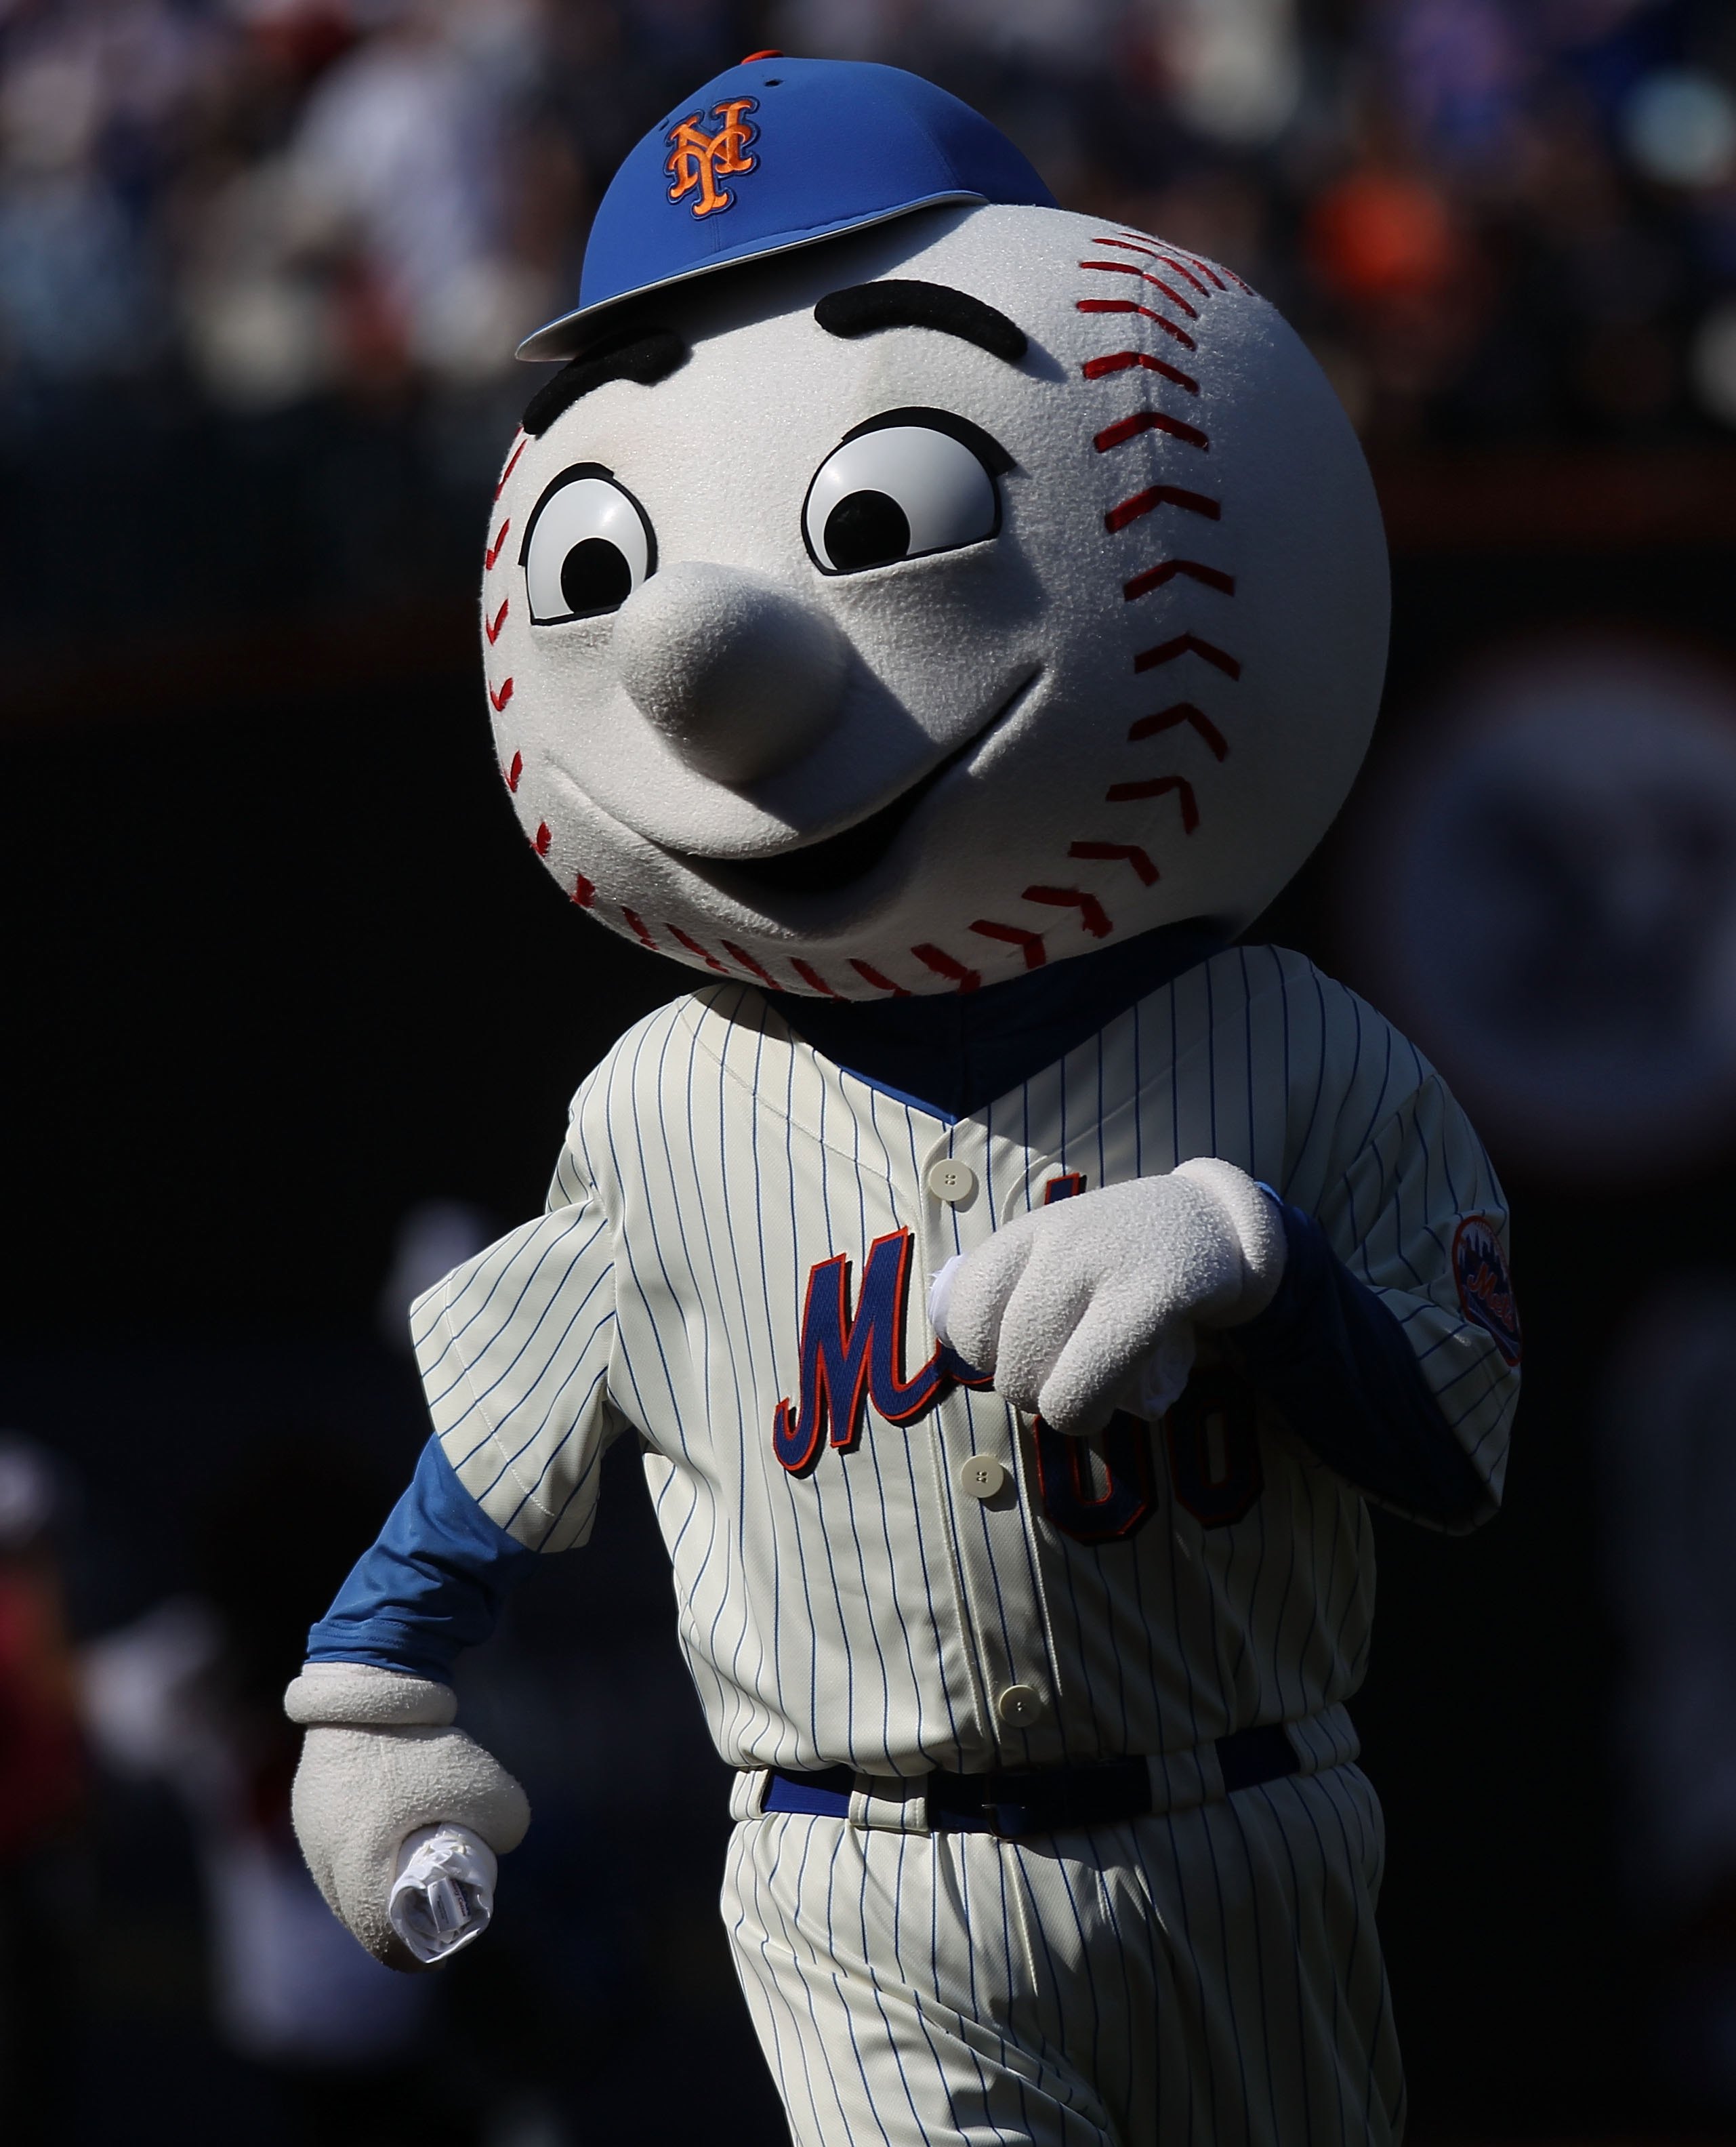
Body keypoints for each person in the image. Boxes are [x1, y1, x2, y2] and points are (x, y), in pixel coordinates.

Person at [285, 54, 1521, 2144]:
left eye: (880, 519)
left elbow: (1451, 1446)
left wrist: (1251, 1260)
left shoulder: (1303, 1053)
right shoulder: (658, 1111)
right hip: (857, 1882)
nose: (685, 649)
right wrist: (368, 1699)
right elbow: (498, 1447)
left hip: (1253, 1834)